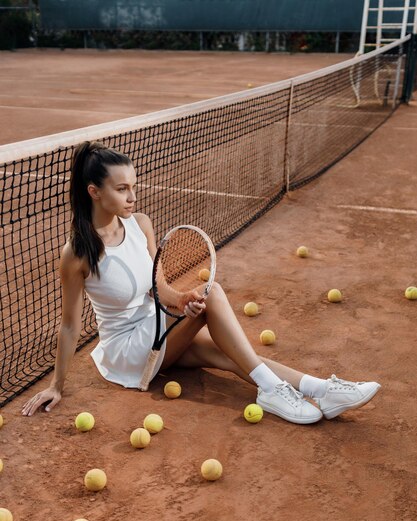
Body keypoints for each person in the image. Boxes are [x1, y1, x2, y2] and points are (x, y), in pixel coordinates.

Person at [22, 141, 381, 424]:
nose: (133, 196)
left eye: (134, 186)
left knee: (231, 354)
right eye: (122, 189)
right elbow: (69, 326)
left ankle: (321, 390)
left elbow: (158, 288)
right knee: (217, 294)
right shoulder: (78, 253)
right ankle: (275, 390)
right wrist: (56, 385)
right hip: (128, 349)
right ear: (94, 192)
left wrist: (184, 300)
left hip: (158, 327)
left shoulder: (140, 223)